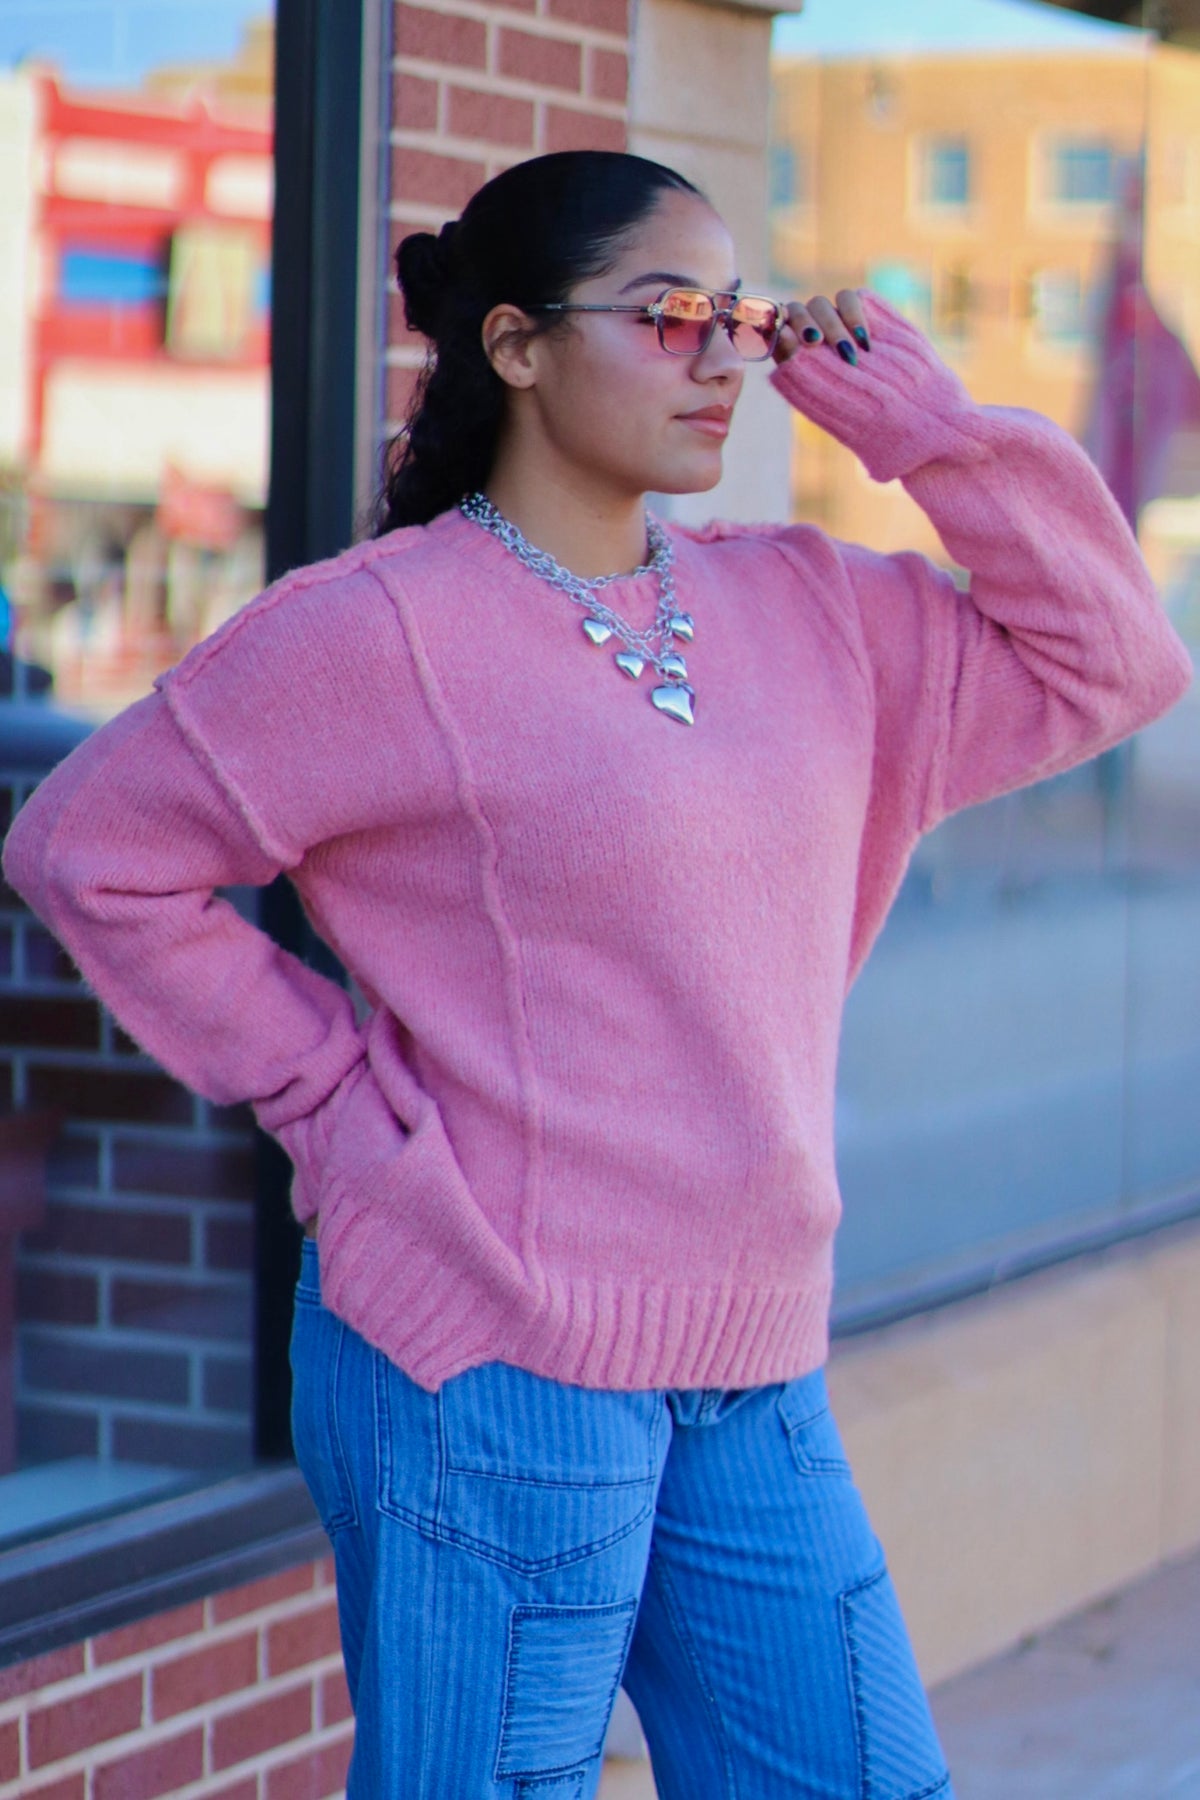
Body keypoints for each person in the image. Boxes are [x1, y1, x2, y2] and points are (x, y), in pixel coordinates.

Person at [3, 150, 1191, 1799]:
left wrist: (918, 421)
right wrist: (338, 1114)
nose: (722, 356)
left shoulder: (811, 611)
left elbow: (1118, 658)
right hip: (492, 1357)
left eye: (739, 314)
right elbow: (90, 850)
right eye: (668, 314)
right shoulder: (383, 631)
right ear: (515, 347)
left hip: (753, 1364)